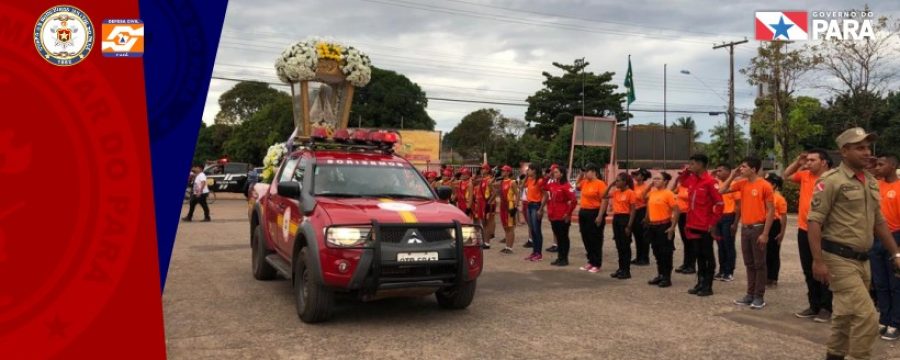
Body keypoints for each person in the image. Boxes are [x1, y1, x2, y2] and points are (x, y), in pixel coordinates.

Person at [809, 128, 900, 360]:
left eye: (868, 147)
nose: (867, 152)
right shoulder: (830, 181)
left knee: (845, 315)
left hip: (863, 259)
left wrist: (896, 253)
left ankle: (835, 355)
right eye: (860, 147)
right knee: (868, 317)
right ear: (844, 151)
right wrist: (818, 261)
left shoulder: (869, 180)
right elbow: (814, 222)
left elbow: (879, 221)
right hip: (838, 258)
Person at [785, 149, 836, 322]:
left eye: (812, 160)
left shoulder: (832, 179)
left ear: (824, 162)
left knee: (824, 269)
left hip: (825, 231)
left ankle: (826, 307)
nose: (808, 163)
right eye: (807, 160)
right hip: (804, 229)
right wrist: (798, 161)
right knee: (809, 269)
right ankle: (814, 305)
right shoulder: (805, 175)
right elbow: (786, 175)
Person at [721, 156, 775, 309]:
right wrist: (732, 175)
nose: (741, 169)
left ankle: (759, 296)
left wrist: (765, 233)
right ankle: (750, 294)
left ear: (754, 169)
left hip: (758, 227)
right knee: (749, 263)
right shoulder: (742, 183)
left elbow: (771, 210)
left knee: (759, 264)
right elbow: (721, 190)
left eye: (744, 167)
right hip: (745, 228)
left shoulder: (764, 185)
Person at [677, 154, 723, 297]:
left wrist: (713, 223)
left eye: (693, 164)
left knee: (707, 255)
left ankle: (707, 286)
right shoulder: (691, 179)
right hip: (692, 224)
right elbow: (681, 181)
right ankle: (700, 282)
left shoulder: (710, 182)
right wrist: (686, 170)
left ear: (701, 164)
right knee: (698, 255)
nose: (690, 166)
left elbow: (720, 204)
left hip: (705, 225)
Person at [871, 154, 900, 341]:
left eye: (882, 164)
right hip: (875, 239)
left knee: (895, 284)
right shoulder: (876, 185)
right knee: (880, 282)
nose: (878, 167)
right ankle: (884, 318)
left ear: (892, 166)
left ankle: (896, 322)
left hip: (895, 237)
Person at [643, 172, 679, 287]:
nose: (655, 181)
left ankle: (667, 277)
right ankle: (660, 275)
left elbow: (677, 210)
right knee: (656, 251)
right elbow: (645, 200)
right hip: (653, 226)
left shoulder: (668, 194)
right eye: (654, 179)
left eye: (658, 179)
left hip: (664, 225)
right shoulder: (652, 193)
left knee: (666, 253)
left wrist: (672, 227)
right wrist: (647, 220)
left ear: (665, 181)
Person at [601, 172, 636, 280]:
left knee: (625, 246)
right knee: (619, 245)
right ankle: (620, 268)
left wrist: (629, 226)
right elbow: (603, 195)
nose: (616, 182)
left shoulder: (630, 193)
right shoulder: (616, 192)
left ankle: (626, 270)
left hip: (625, 219)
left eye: (618, 180)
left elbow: (633, 210)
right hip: (616, 219)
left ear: (624, 182)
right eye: (616, 180)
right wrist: (610, 185)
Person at [577, 164, 607, 273]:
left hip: (594, 212)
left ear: (593, 171)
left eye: (587, 171)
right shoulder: (585, 182)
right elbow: (576, 185)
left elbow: (604, 200)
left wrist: (600, 215)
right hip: (584, 212)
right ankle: (590, 261)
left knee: (595, 238)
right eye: (584, 171)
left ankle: (597, 263)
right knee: (586, 237)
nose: (585, 173)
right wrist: (580, 175)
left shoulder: (600, 183)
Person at [713, 164, 740, 282]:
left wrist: (735, 223)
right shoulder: (716, 184)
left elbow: (739, 205)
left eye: (721, 170)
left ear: (729, 172)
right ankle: (722, 270)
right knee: (720, 245)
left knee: (728, 244)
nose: (718, 173)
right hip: (718, 217)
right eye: (717, 171)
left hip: (729, 216)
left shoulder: (734, 185)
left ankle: (729, 271)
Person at [547, 167, 576, 266]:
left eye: (556, 172)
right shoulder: (553, 184)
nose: (554, 173)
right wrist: (549, 176)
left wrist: (568, 213)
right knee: (558, 238)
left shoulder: (566, 186)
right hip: (553, 215)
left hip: (562, 215)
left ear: (562, 174)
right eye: (553, 172)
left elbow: (574, 201)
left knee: (563, 237)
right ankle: (560, 257)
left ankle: (564, 259)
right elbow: (543, 187)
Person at [765, 173, 788, 287]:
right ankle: (765, 276)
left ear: (773, 185)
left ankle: (773, 278)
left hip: (774, 225)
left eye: (768, 182)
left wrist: (782, 232)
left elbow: (783, 217)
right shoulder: (763, 196)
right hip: (764, 223)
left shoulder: (779, 198)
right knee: (764, 252)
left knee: (773, 252)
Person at [523, 165, 547, 261]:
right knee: (532, 230)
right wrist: (526, 176)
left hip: (536, 205)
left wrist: (541, 208)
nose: (528, 171)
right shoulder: (529, 179)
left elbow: (546, 195)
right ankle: (534, 252)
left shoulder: (540, 181)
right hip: (529, 205)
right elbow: (521, 186)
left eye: (529, 170)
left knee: (537, 230)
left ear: (535, 170)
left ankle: (539, 253)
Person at [630, 168, 652, 266]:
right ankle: (638, 257)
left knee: (644, 236)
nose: (635, 176)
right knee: (637, 235)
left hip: (643, 211)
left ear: (642, 177)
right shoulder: (633, 186)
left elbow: (648, 203)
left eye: (637, 174)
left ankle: (645, 258)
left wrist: (647, 217)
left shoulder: (646, 187)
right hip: (635, 212)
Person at [674, 182, 696, 275]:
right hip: (681, 214)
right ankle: (686, 263)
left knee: (690, 240)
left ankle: (691, 265)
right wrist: (675, 181)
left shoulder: (693, 185)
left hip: (689, 214)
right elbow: (672, 192)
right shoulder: (680, 186)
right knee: (685, 240)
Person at [497, 166, 520, 254]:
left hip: (510, 206)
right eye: (502, 171)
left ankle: (510, 248)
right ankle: (506, 246)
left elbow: (517, 194)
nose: (502, 172)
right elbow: (493, 186)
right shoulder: (502, 182)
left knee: (510, 227)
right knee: (505, 227)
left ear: (508, 172)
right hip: (503, 206)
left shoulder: (512, 182)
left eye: (503, 171)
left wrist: (515, 206)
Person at [546, 163, 561, 253]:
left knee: (558, 226)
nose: (552, 172)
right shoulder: (550, 181)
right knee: (553, 226)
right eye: (552, 171)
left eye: (554, 171)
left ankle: (558, 244)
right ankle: (555, 244)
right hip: (550, 205)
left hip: (557, 206)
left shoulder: (559, 182)